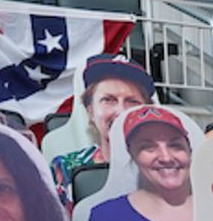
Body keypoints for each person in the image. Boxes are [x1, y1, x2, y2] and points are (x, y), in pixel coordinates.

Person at [80, 106, 195, 221]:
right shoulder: (106, 219)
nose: (166, 157)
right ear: (132, 154)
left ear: (189, 151)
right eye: (148, 147)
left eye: (175, 145)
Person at [51, 55, 154, 209]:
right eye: (108, 100)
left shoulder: (167, 166)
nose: (121, 111)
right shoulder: (66, 168)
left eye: (132, 101)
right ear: (90, 111)